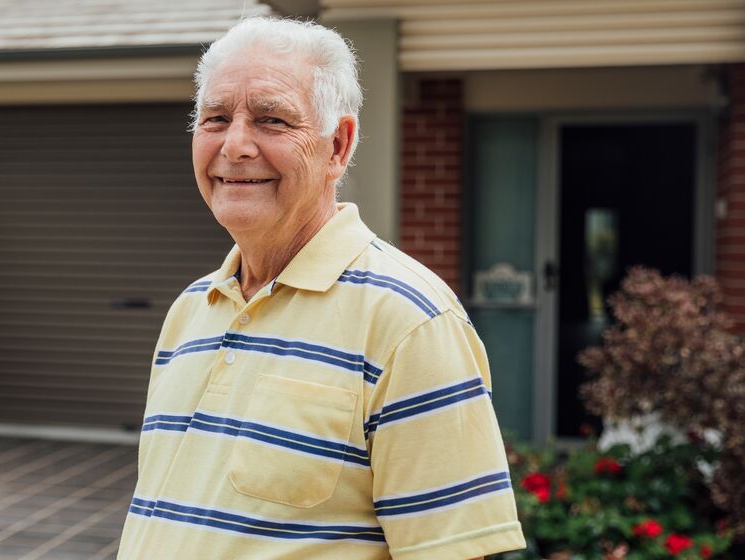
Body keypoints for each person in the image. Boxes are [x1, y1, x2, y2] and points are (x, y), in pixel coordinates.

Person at [117, 16, 525, 560]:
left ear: (338, 144)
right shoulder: (191, 309)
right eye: (215, 118)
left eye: (271, 119)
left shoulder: (410, 321)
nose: (235, 145)